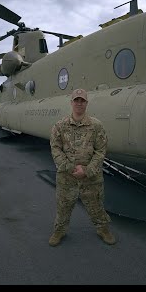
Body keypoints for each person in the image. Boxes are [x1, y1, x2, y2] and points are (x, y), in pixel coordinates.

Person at [48, 88, 116, 246]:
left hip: (91, 177)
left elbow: (101, 150)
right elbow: (55, 148)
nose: (79, 103)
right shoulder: (60, 126)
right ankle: (59, 230)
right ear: (71, 102)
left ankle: (103, 229)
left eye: (82, 100)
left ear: (86, 103)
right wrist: (70, 167)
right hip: (67, 176)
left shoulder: (96, 126)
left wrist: (87, 170)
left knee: (96, 205)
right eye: (76, 100)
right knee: (63, 206)